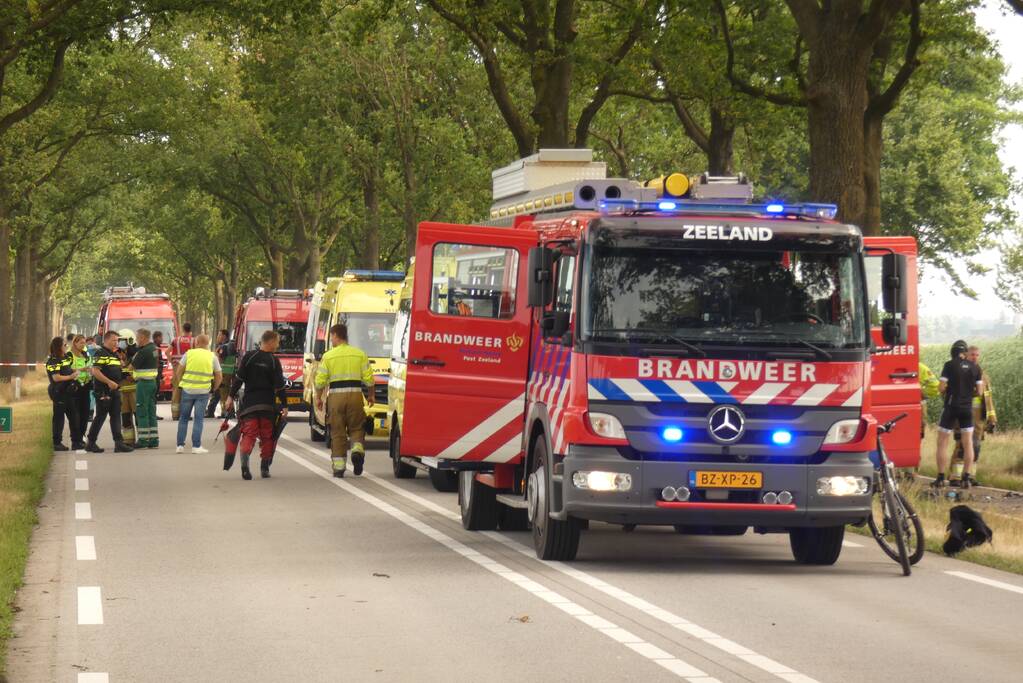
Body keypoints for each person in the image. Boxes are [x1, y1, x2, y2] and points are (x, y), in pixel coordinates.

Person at [225, 330, 287, 480]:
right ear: (270, 341)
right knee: (268, 437)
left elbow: (238, 379)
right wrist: (284, 405)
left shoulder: (249, 357)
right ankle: (264, 468)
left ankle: (245, 466)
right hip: (267, 406)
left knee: (249, 434)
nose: (277, 345)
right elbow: (279, 387)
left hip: (250, 406)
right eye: (277, 342)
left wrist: (229, 397)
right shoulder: (274, 361)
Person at [314, 323, 374, 478]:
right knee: (357, 428)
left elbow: (320, 381)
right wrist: (371, 395)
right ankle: (357, 450)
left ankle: (339, 468)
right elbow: (369, 379)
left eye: (332, 337)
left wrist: (318, 398)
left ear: (335, 335)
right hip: (355, 396)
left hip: (336, 398)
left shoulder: (328, 356)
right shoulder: (359, 354)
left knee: (338, 432)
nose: (331, 340)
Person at [932, 340, 982, 489]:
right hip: (967, 409)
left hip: (950, 407)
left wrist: (950, 390)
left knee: (942, 442)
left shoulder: (949, 365)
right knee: (968, 444)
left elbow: (941, 388)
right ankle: (966, 478)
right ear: (965, 352)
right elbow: (979, 392)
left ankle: (940, 478)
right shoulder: (975, 368)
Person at [951, 345, 998, 474]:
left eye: (977, 355)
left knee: (976, 447)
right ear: (966, 355)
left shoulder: (983, 376)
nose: (975, 357)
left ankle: (970, 475)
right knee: (961, 446)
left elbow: (988, 399)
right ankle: (956, 477)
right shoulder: (960, 371)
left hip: (978, 420)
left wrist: (992, 419)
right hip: (963, 414)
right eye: (972, 354)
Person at [86, 331, 134, 453]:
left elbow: (115, 371)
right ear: (106, 340)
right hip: (104, 391)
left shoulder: (114, 354)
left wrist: (126, 375)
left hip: (115, 389)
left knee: (116, 416)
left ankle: (119, 443)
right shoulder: (100, 353)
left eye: (117, 340)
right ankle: (91, 442)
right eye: (114, 340)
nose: (116, 343)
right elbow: (96, 371)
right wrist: (108, 382)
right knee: (101, 417)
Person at [174, 333, 222, 454]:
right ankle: (196, 446)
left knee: (183, 418)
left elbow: (179, 371)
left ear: (196, 342)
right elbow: (219, 376)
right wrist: (214, 388)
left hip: (188, 390)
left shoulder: (188, 354)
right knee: (198, 419)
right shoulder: (212, 356)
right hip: (203, 392)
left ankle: (180, 446)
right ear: (207, 344)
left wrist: (181, 383)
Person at [45, 337, 83, 452]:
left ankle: (76, 442)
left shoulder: (65, 357)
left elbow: (68, 368)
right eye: (64, 345)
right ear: (59, 347)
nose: (66, 346)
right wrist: (70, 377)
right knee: (59, 418)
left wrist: (79, 370)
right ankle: (57, 443)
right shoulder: (53, 360)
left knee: (74, 417)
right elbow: (56, 377)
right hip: (59, 392)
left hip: (68, 392)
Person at [131, 328, 160, 449]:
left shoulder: (143, 351)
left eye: (137, 337)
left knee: (142, 411)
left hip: (143, 383)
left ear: (143, 337)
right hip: (152, 382)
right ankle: (153, 439)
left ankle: (143, 440)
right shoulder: (154, 349)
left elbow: (133, 365)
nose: (136, 340)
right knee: (151, 411)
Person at [69, 335, 92, 443]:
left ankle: (82, 436)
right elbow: (67, 369)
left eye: (84, 343)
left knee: (85, 413)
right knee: (75, 415)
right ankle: (75, 439)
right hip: (75, 386)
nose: (83, 345)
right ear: (75, 343)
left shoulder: (86, 354)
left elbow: (91, 365)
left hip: (86, 386)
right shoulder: (69, 355)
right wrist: (81, 369)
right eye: (81, 343)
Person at [117, 329, 138, 446]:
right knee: (125, 417)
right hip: (122, 391)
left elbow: (138, 371)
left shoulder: (135, 355)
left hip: (134, 390)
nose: (120, 344)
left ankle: (142, 439)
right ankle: (128, 440)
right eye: (119, 341)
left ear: (130, 341)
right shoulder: (117, 355)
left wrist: (132, 376)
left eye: (122, 341)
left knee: (138, 416)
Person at [170, 322, 196, 421]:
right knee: (187, 390)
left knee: (177, 389)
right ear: (190, 331)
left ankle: (175, 414)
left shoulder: (176, 340)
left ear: (183, 329)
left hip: (177, 367)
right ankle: (185, 414)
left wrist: (172, 361)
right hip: (188, 367)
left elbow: (168, 351)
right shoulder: (194, 341)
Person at [205, 329, 232, 418]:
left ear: (224, 336)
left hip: (223, 372)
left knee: (223, 393)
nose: (217, 337)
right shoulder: (227, 345)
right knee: (217, 392)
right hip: (225, 372)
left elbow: (219, 359)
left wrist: (214, 355)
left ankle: (226, 412)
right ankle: (211, 411)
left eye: (219, 335)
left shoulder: (224, 347)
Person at [918, 361, 940, 441]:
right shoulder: (920, 366)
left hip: (917, 402)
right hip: (917, 402)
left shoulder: (919, 367)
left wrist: (921, 393)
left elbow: (934, 386)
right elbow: (935, 387)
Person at [152, 330, 166, 420]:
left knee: (154, 395)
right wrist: (158, 376)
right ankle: (153, 414)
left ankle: (153, 413)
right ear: (156, 338)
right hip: (155, 375)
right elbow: (155, 361)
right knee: (153, 395)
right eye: (161, 337)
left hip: (157, 374)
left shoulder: (156, 347)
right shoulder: (155, 349)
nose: (162, 339)